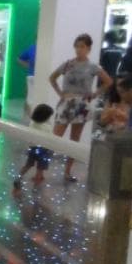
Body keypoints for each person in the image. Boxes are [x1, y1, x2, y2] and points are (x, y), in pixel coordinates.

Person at [48, 34, 111, 180]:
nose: (78, 49)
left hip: (81, 105)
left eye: (82, 46)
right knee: (54, 138)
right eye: (77, 46)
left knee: (74, 139)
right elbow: (52, 78)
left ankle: (68, 171)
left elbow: (108, 81)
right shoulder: (68, 64)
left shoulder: (93, 67)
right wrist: (60, 93)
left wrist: (95, 94)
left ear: (88, 48)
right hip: (67, 103)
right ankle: (41, 168)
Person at [13, 103, 54, 189]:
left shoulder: (32, 123)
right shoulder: (47, 127)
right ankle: (36, 185)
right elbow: (50, 139)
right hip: (43, 150)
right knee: (40, 168)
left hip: (32, 148)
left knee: (28, 164)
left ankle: (19, 177)